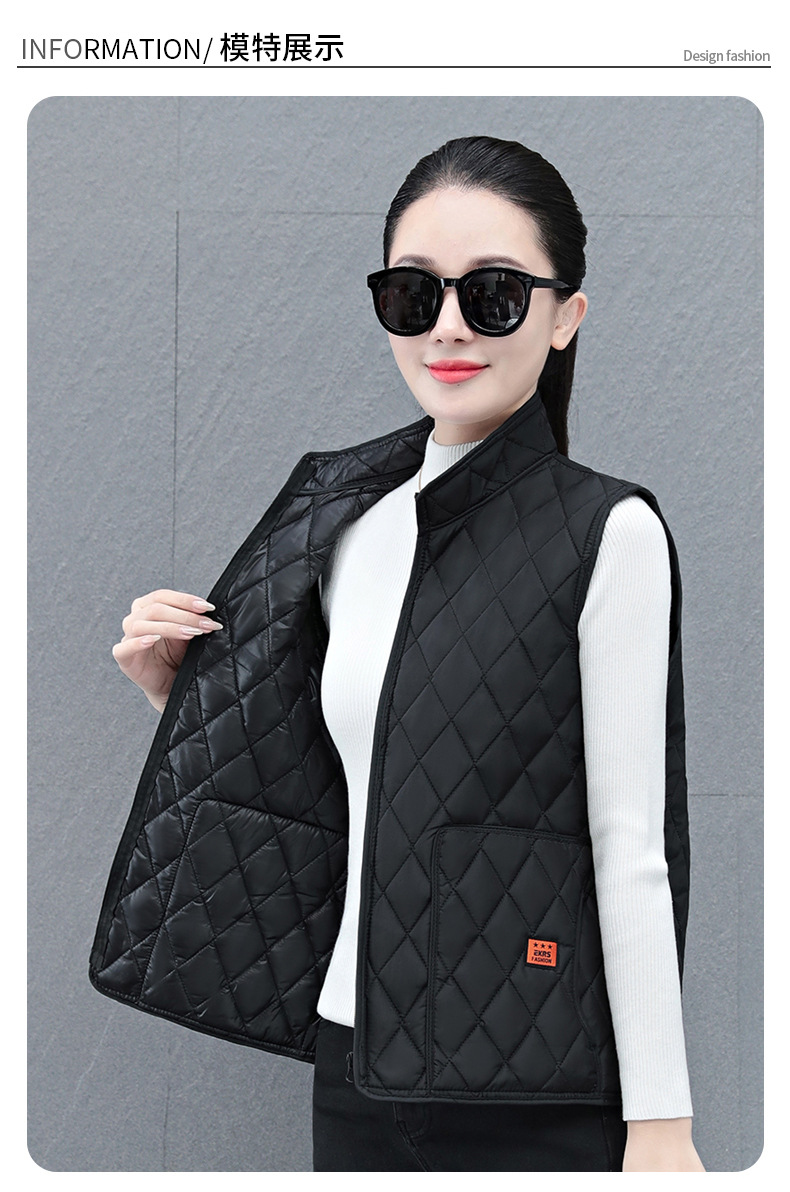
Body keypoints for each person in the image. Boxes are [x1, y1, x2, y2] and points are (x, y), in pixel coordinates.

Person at [99, 136, 705, 1172]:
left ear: (566, 316)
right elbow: (347, 797)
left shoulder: (610, 532)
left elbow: (630, 847)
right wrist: (185, 703)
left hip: (538, 1086)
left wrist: (661, 1123)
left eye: (495, 294)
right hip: (354, 1070)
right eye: (415, 294)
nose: (450, 326)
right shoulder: (339, 520)